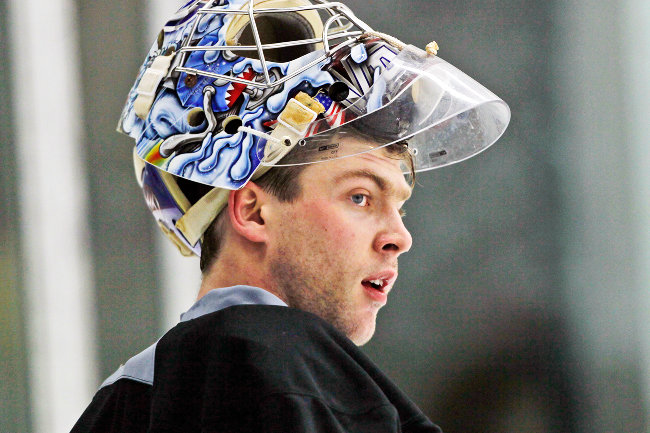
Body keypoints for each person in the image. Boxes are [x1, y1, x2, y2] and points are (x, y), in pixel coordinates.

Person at [72, 0, 510, 431]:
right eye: (360, 197)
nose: (400, 237)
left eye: (400, 207)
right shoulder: (273, 369)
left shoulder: (123, 399)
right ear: (254, 213)